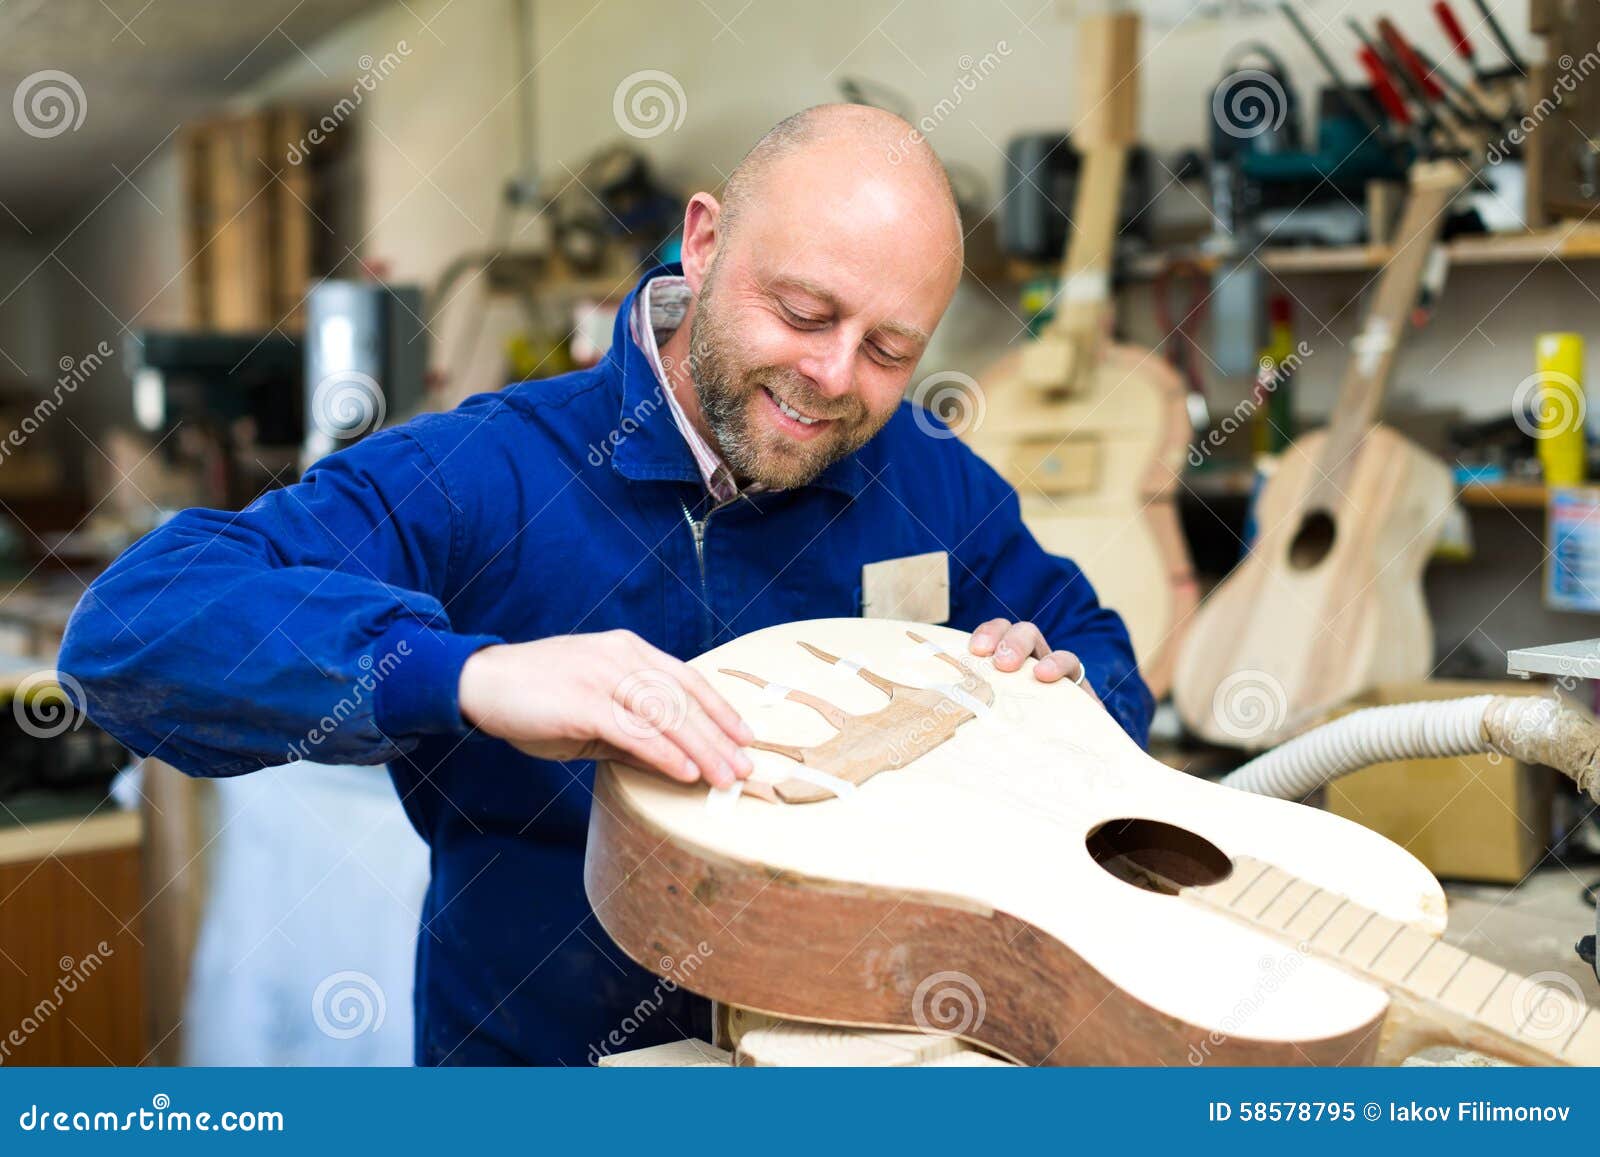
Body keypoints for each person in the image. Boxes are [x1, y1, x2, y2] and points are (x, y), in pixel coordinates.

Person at [60, 104, 1153, 1065]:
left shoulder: (925, 476)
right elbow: (134, 630)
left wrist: (1058, 693)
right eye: (806, 313)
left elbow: (1093, 647)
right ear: (706, 239)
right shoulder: (487, 473)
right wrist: (470, 674)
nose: (833, 377)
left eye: (889, 347)